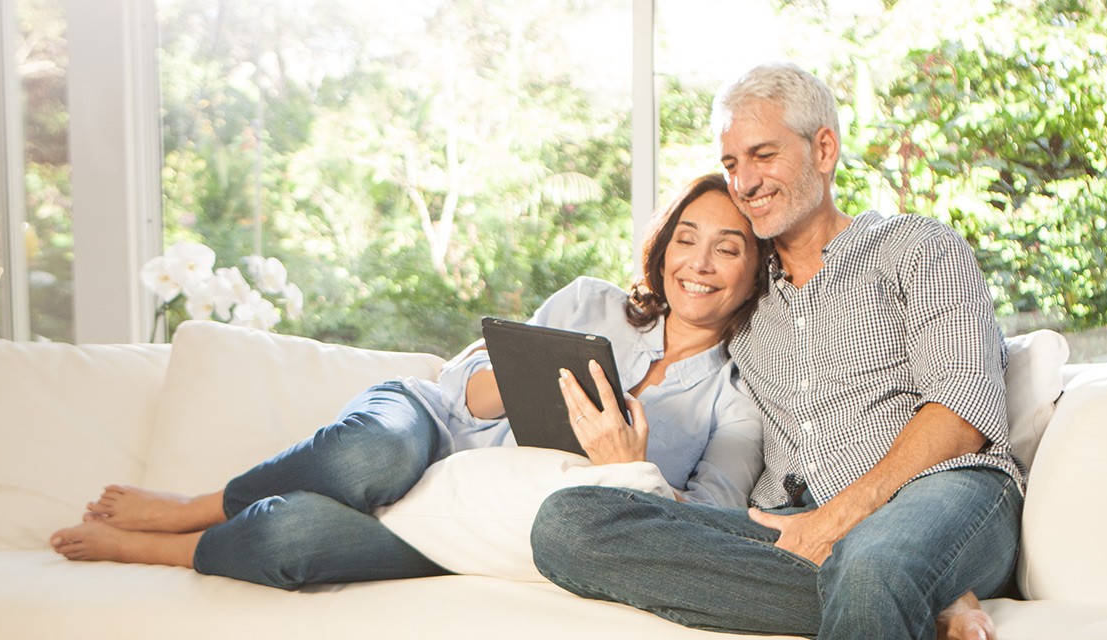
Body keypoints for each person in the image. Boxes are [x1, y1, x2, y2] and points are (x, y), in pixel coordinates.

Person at [48, 173, 773, 590]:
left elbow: (708, 522)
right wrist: (524, 392)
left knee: (294, 542)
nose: (699, 264)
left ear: (754, 272)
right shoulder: (592, 302)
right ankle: (194, 508)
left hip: (475, 527)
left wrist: (628, 469)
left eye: (727, 248)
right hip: (433, 429)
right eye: (686, 238)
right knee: (372, 459)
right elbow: (463, 393)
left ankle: (164, 549)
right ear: (663, 245)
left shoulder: (735, 400)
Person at [530, 63, 1023, 640]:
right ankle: (922, 602)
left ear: (824, 148)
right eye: (732, 164)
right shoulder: (744, 292)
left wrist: (839, 520)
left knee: (871, 563)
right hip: (789, 518)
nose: (746, 182)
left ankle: (891, 583)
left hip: (941, 492)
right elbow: (669, 288)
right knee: (568, 522)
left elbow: (965, 408)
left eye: (764, 155)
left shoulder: (915, 247)